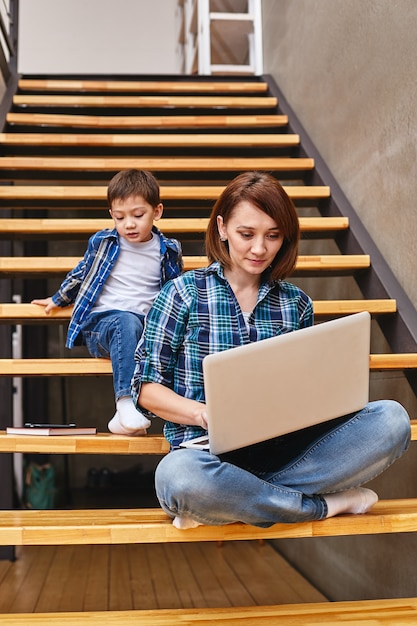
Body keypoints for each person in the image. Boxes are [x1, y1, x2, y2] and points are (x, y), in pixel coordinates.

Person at [132, 171, 411, 529]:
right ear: (222, 228)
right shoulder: (182, 293)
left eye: (273, 236)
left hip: (287, 454)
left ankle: (229, 503)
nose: (259, 249)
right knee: (179, 479)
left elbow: (305, 392)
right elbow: (147, 389)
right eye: (246, 234)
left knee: (392, 420)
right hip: (205, 454)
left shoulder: (296, 304)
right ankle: (322, 506)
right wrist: (204, 414)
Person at [32, 169, 183, 436]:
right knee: (126, 320)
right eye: (120, 217)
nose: (129, 224)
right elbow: (81, 272)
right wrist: (58, 299)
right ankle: (125, 403)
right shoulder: (104, 242)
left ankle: (123, 421)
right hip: (102, 326)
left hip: (143, 330)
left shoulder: (168, 249)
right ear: (111, 214)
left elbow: (175, 289)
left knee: (149, 333)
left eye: (138, 215)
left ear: (157, 211)